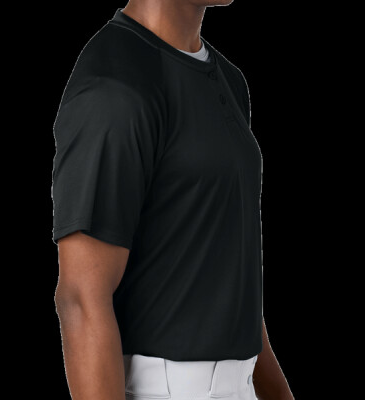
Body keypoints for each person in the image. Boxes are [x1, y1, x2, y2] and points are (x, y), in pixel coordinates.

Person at [51, 1, 294, 399]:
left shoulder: (229, 78)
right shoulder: (113, 84)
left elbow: (228, 275)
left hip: (241, 384)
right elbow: (81, 296)